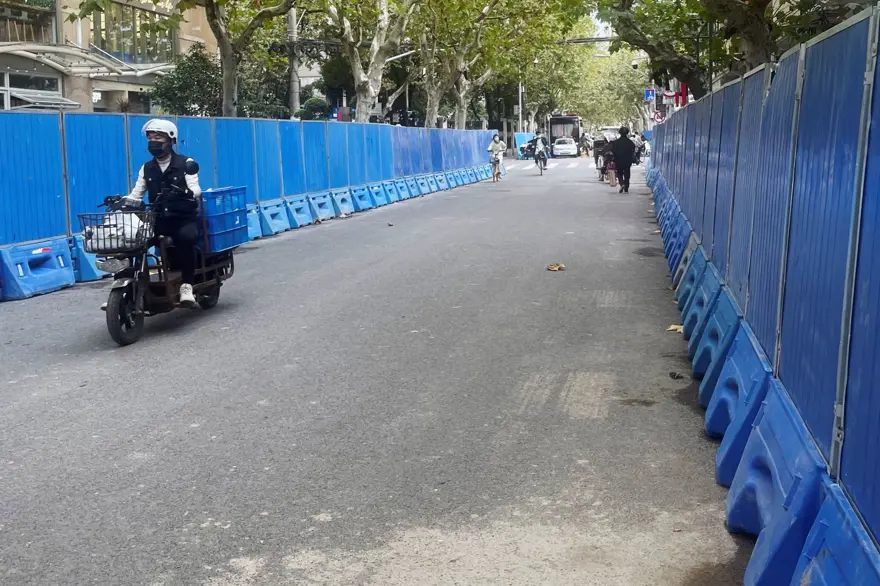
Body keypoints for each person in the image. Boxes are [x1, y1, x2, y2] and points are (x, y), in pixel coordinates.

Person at [124, 119, 202, 306]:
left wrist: (186, 192)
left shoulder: (186, 163)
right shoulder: (146, 168)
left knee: (186, 238)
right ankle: (127, 288)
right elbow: (136, 194)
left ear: (171, 140)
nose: (153, 141)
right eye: (150, 138)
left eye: (158, 137)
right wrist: (123, 201)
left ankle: (187, 286)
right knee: (131, 241)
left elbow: (196, 189)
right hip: (157, 220)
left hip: (182, 219)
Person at [610, 126, 636, 193]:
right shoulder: (630, 142)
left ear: (620, 133)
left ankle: (622, 184)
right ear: (627, 133)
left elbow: (613, 151)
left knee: (619, 173)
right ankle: (626, 188)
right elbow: (633, 150)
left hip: (618, 160)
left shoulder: (616, 142)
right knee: (627, 174)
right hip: (628, 161)